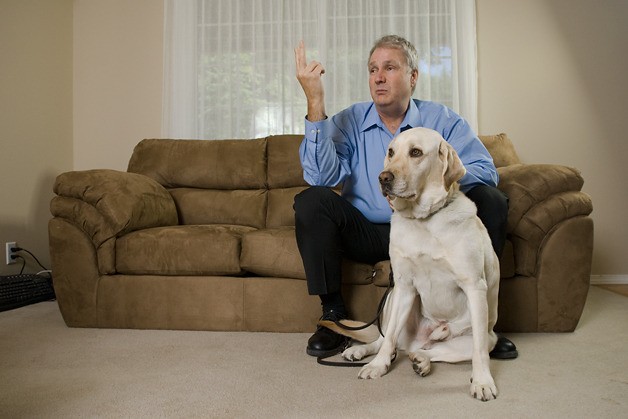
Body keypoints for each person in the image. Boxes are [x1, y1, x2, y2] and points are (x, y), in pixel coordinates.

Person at [293, 35, 517, 360]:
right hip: (370, 231)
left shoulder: (443, 122)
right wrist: (315, 102)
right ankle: (333, 317)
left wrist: (429, 192)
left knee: (491, 199)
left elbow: (484, 169)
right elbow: (319, 177)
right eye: (372, 69)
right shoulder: (349, 122)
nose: (378, 77)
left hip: (429, 230)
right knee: (311, 201)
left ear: (413, 77)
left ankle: (480, 327)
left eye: (389, 67)